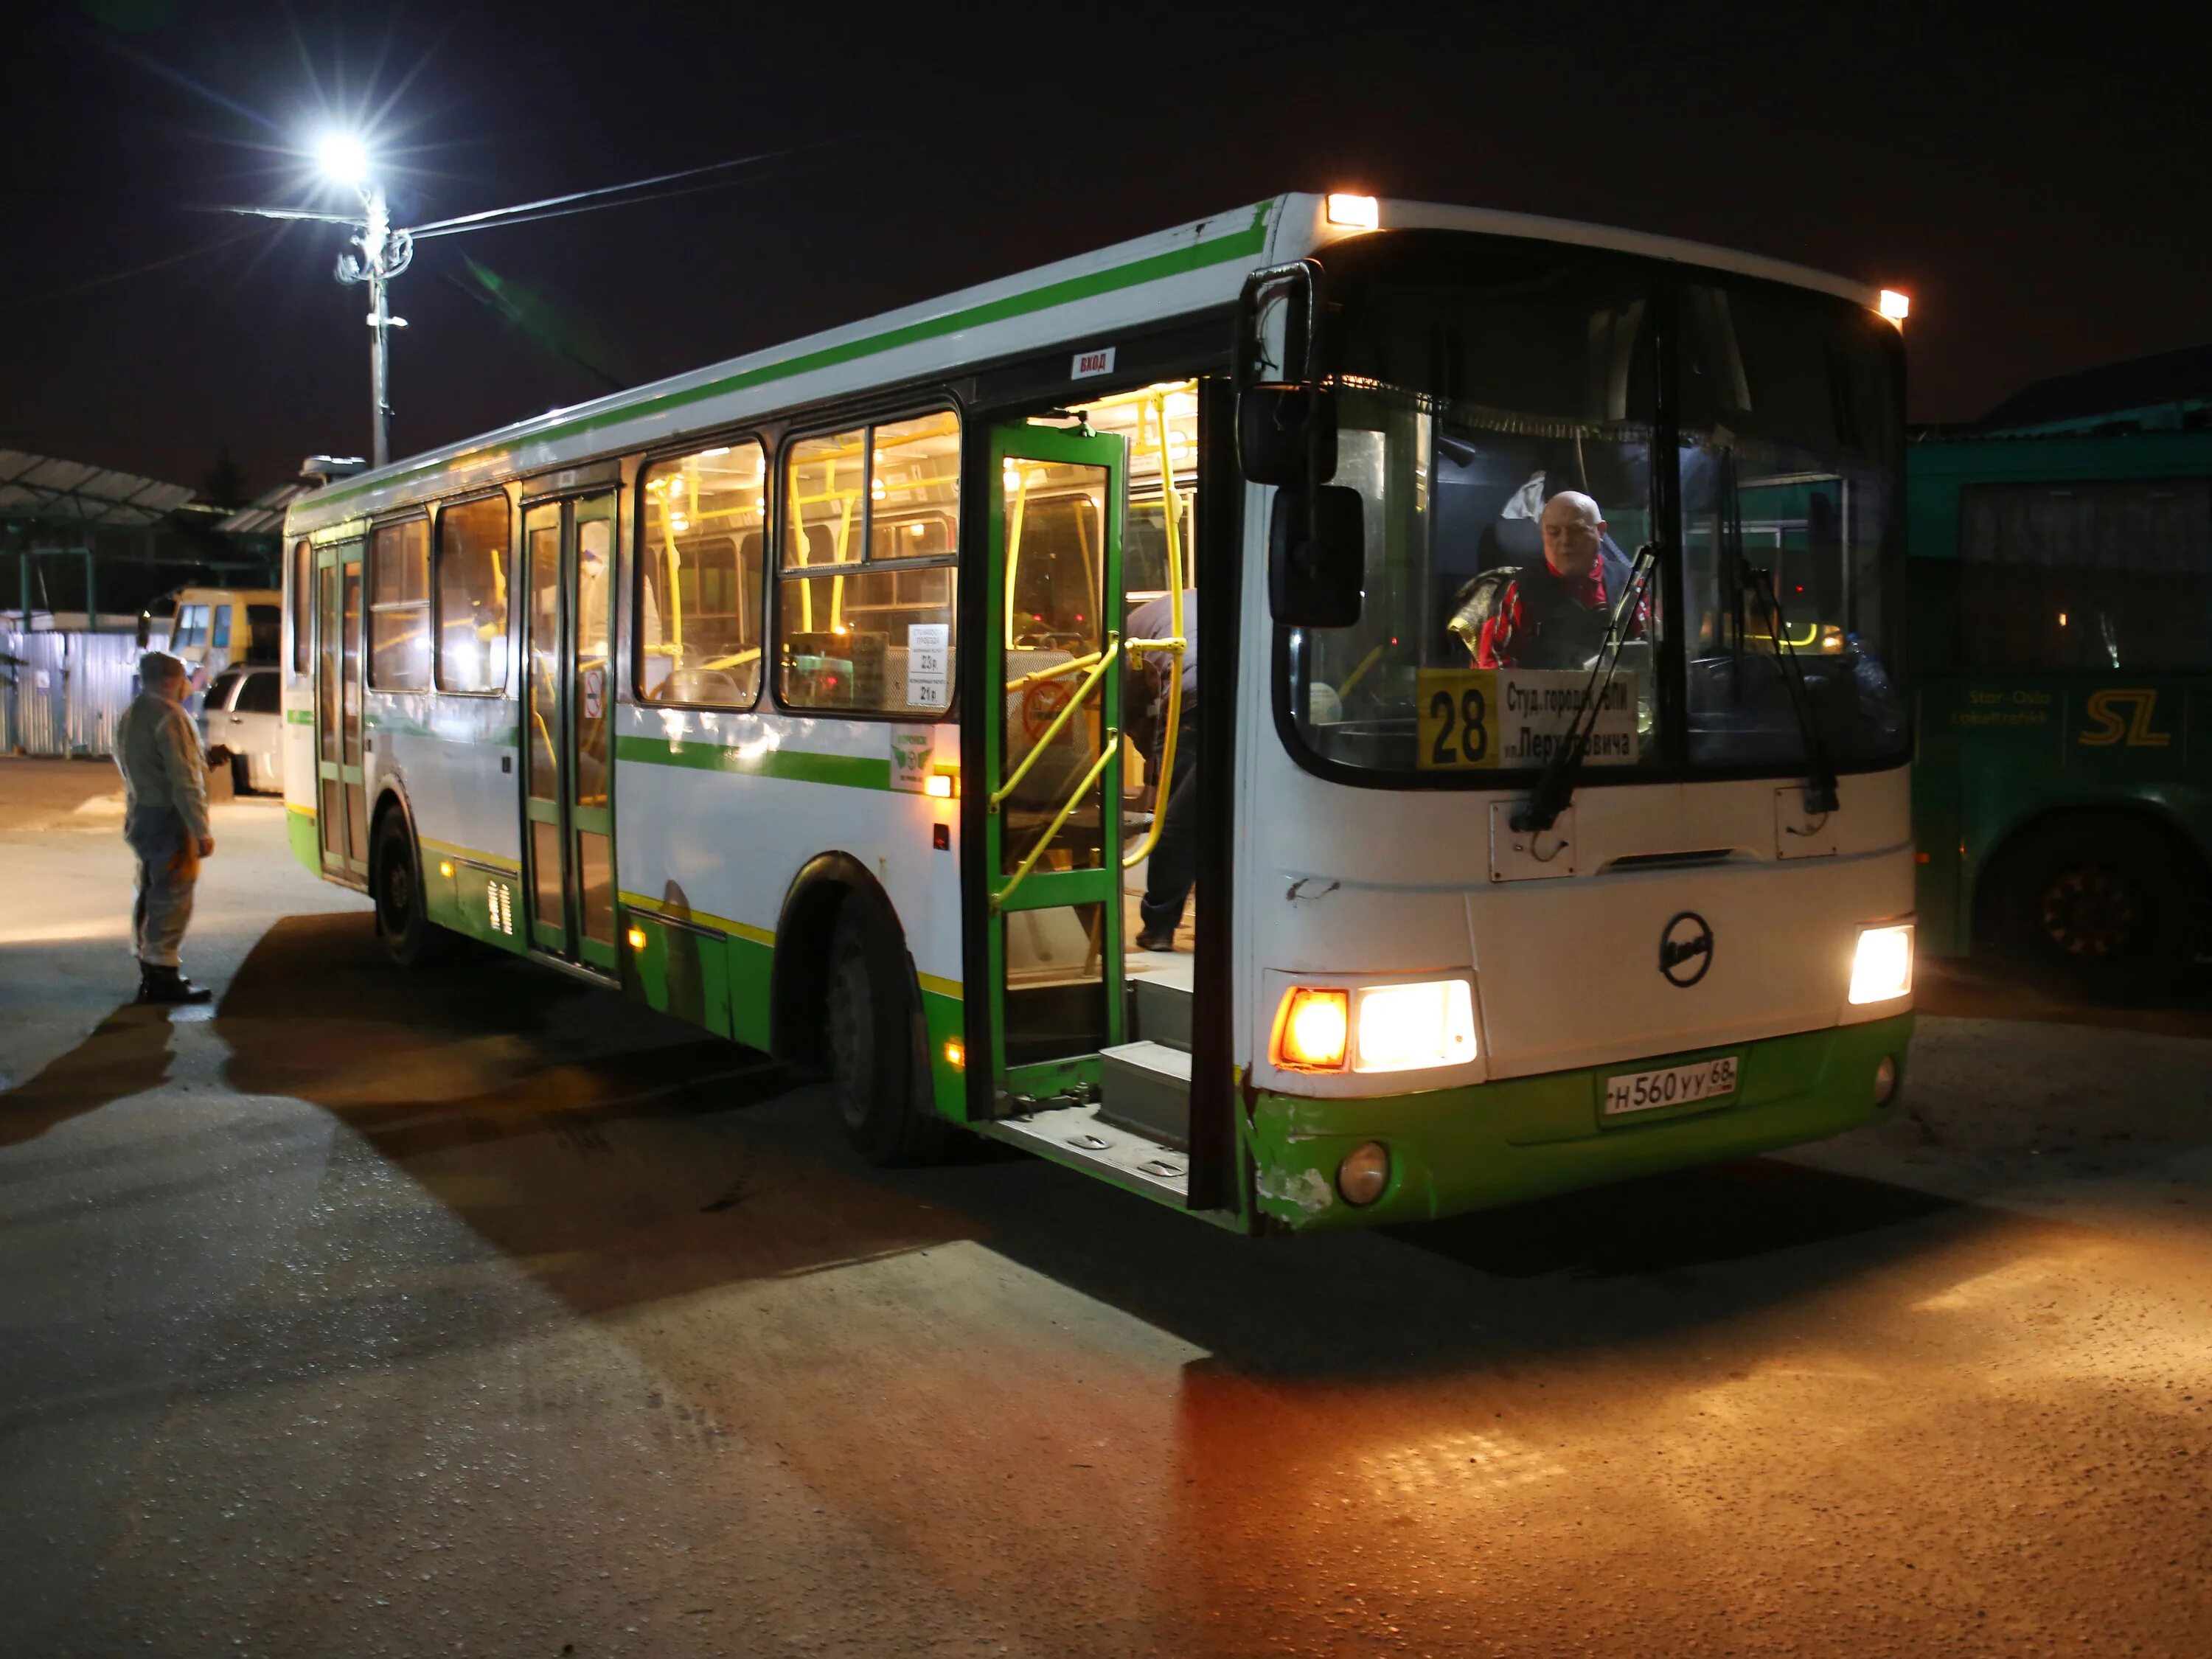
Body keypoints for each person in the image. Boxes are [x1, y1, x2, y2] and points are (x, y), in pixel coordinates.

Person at [1447, 488, 1649, 669]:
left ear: (1600, 531)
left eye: (1577, 530)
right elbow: (1494, 669)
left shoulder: (1630, 585)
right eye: (1553, 532)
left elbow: (1651, 652)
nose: (1565, 542)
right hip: (1542, 707)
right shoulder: (1520, 591)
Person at [114, 650, 217, 1004]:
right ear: (173, 679)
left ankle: (149, 964)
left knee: (149, 890)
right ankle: (163, 975)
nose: (189, 685)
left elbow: (137, 766)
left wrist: (205, 760)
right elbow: (184, 780)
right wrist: (200, 830)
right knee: (172, 895)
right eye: (185, 677)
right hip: (169, 818)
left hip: (142, 813)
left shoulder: (133, 714)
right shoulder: (172, 717)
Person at [1124, 588, 1197, 953]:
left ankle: (1159, 927)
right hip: (1252, 697)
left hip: (1195, 706)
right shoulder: (1201, 605)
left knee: (1179, 825)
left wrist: (1153, 768)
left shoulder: (1128, 635)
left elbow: (1130, 710)